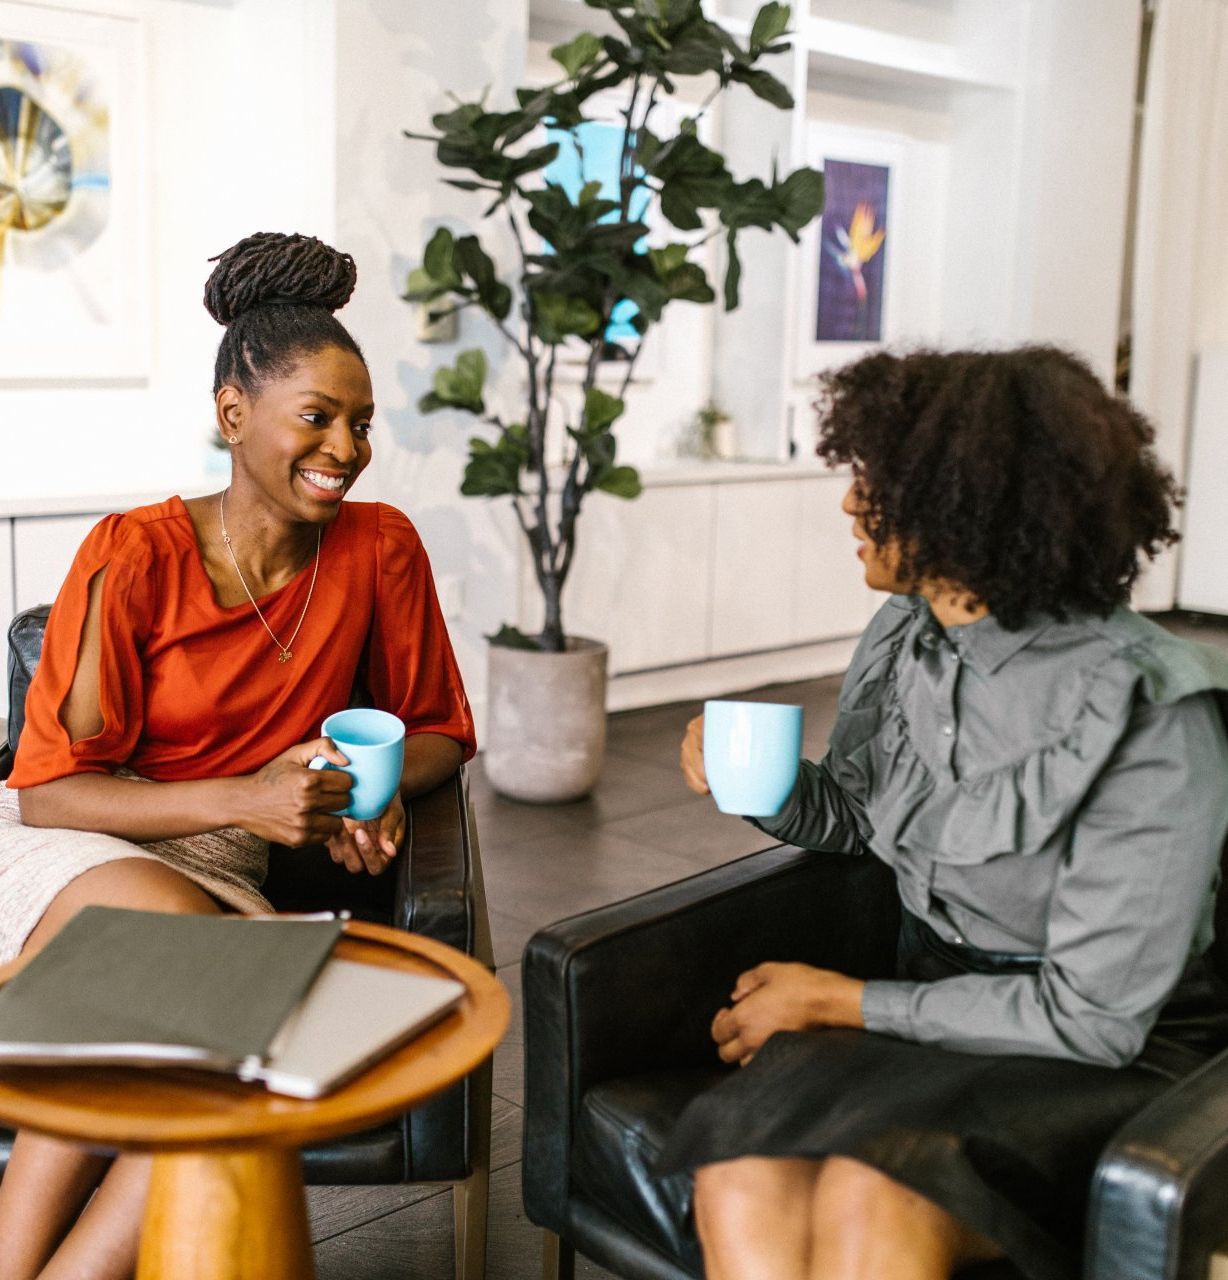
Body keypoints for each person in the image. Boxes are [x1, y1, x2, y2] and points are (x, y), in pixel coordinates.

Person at [670, 346, 1228, 1280]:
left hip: (1100, 1051)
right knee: (739, 1174)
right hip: (931, 1000)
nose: (851, 504)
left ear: (972, 502)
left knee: (872, 1199)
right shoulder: (908, 634)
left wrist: (840, 1001)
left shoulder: (1152, 712)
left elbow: (1093, 1019)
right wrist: (758, 788)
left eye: (882, 481)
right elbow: (860, 815)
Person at [0, 231, 476, 1280]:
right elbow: (46, 794)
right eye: (318, 417)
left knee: (191, 1063)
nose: (346, 447)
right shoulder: (131, 555)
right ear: (233, 416)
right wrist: (255, 799)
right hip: (80, 842)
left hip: (217, 870)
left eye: (360, 423)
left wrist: (361, 790)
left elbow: (439, 726)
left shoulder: (380, 546)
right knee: (169, 957)